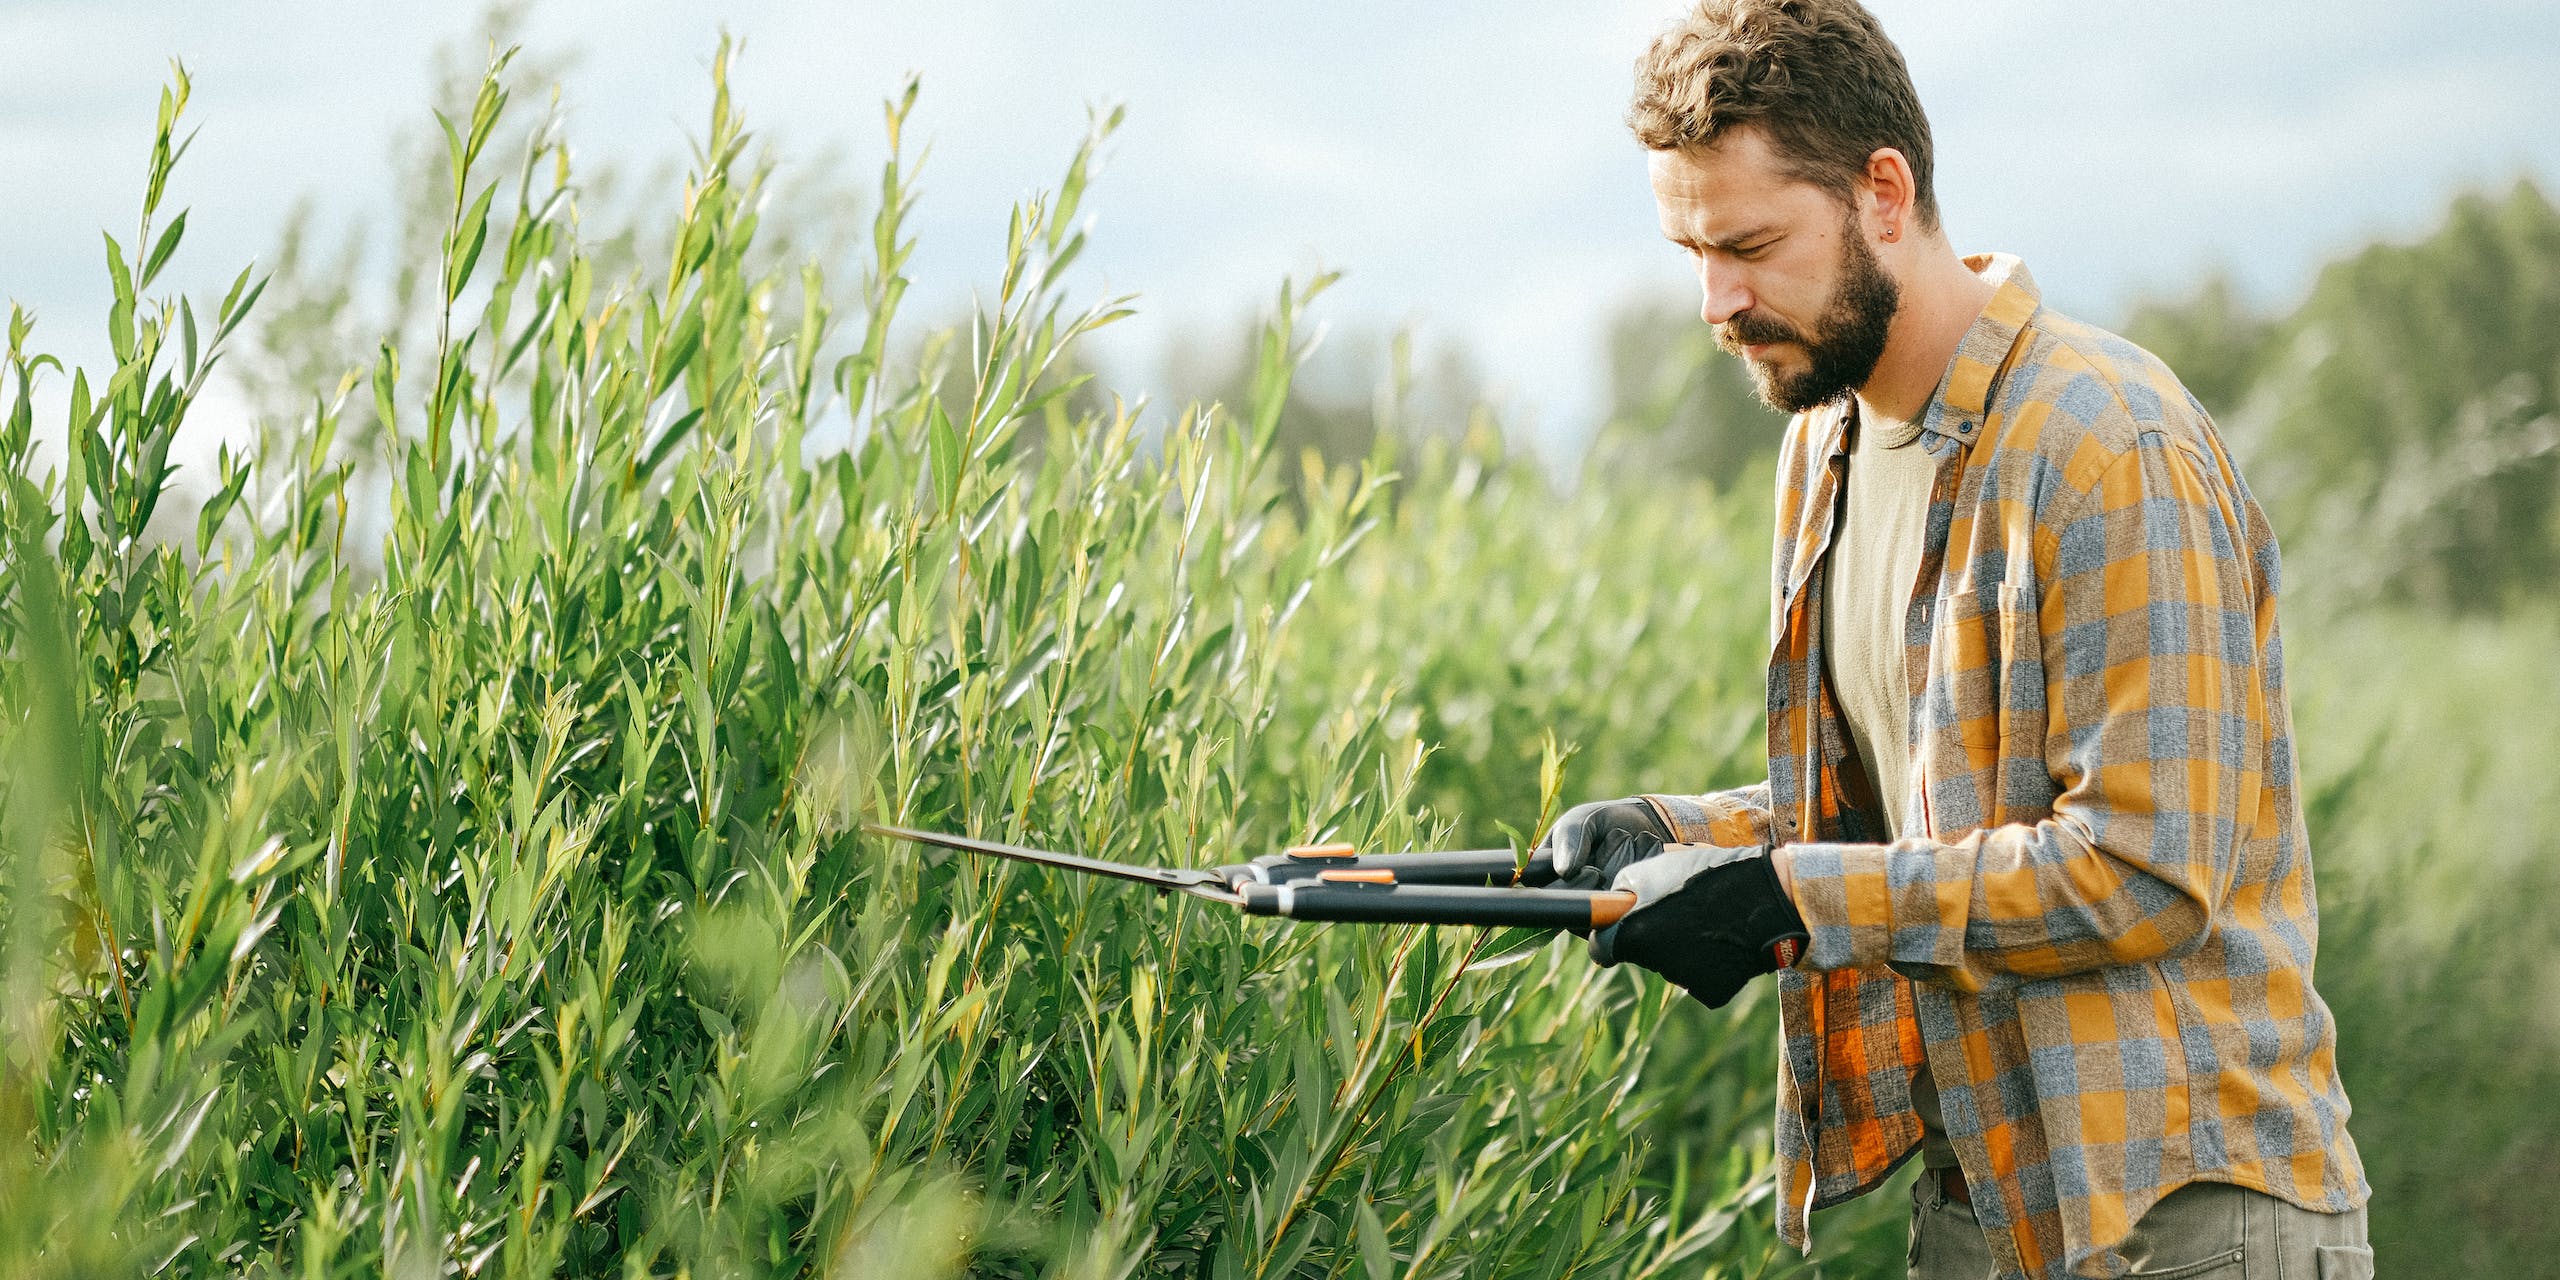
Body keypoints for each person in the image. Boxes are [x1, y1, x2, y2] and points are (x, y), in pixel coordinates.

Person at [1538, 3, 2372, 1277]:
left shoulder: (2105, 444)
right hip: (1981, 1213)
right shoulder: (1819, 447)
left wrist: (1794, 900)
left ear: (1884, 191)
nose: (1716, 299)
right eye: (1690, 250)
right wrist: (1683, 835)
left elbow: (2143, 871)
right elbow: (1924, 810)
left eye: (1750, 244)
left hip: (2190, 1225)